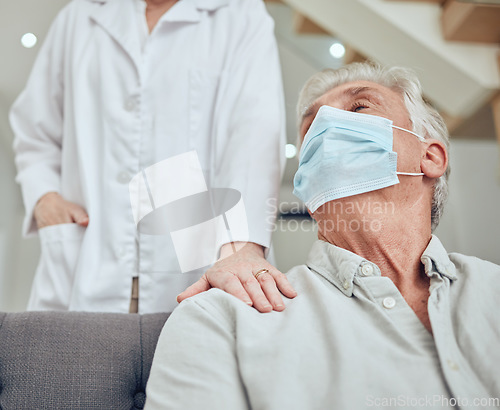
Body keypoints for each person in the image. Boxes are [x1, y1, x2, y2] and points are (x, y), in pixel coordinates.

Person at [144, 62, 500, 409]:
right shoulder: (223, 317)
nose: (327, 127)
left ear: (431, 157)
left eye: (360, 107)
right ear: (307, 187)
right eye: (311, 127)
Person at [10, 0, 296, 313]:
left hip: (193, 269)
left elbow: (254, 139)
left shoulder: (241, 15)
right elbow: (35, 130)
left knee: (188, 352)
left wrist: (242, 247)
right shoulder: (79, 16)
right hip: (86, 257)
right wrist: (44, 198)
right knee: (70, 359)